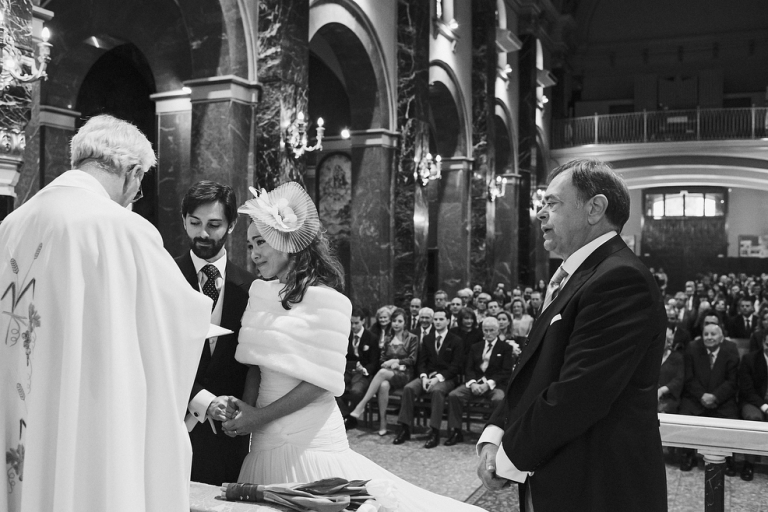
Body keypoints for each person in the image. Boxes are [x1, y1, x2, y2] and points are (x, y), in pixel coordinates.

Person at [220, 183, 482, 512]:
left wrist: (260, 417)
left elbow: (320, 383)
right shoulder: (259, 292)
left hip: (309, 435)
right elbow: (256, 364)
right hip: (263, 437)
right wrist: (245, 412)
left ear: (288, 241)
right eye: (250, 244)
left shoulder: (328, 300)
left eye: (261, 242)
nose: (254, 253)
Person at [0, 114, 211, 512]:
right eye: (140, 183)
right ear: (132, 172)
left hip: (22, 409)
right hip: (89, 416)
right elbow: (176, 318)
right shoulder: (120, 228)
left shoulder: (13, 223)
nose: (136, 194)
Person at [476, 159, 667, 512]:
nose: (541, 214)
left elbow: (579, 393)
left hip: (597, 485)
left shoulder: (621, 279)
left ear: (594, 208)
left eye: (552, 203)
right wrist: (495, 433)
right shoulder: (577, 276)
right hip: (558, 475)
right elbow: (535, 370)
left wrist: (507, 457)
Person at [176, 180, 256, 486]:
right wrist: (201, 399)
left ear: (232, 224)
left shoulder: (252, 288)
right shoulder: (164, 277)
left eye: (214, 224)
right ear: (184, 220)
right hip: (175, 424)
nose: (204, 234)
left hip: (229, 430)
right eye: (195, 223)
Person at [394, 310, 464, 448]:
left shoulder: (456, 340)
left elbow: (456, 367)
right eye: (436, 319)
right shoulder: (427, 339)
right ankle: (405, 428)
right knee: (409, 388)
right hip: (428, 376)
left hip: (447, 378)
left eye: (441, 319)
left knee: (437, 391)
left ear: (448, 321)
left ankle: (434, 431)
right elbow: (422, 362)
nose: (437, 322)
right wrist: (424, 377)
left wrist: (437, 378)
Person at [678, 323, 740, 473]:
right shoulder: (692, 348)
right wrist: (702, 396)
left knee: (731, 418)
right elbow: (688, 378)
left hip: (722, 399)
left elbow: (733, 381)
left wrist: (715, 397)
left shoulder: (730, 350)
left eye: (713, 334)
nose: (709, 337)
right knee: (685, 415)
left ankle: (728, 458)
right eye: (706, 334)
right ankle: (688, 455)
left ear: (721, 337)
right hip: (696, 397)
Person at [347, 308, 418, 435]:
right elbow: (382, 358)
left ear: (405, 323)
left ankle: (361, 405)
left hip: (405, 373)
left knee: (381, 373)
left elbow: (412, 359)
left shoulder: (412, 338)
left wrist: (396, 363)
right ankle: (383, 423)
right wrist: (387, 363)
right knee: (384, 385)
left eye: (399, 321)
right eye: (394, 321)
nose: (396, 324)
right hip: (389, 373)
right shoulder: (388, 338)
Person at [445, 317, 514, 446]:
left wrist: (488, 385)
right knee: (454, 395)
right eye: (485, 330)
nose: (488, 333)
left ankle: (494, 436)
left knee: (499, 399)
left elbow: (506, 372)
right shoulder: (475, 347)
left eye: (491, 330)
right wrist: (473, 383)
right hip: (475, 384)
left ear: (498, 331)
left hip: (495, 385)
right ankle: (456, 431)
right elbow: (469, 368)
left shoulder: (505, 348)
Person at [338, 307, 380, 426]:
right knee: (333, 388)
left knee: (356, 391)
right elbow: (341, 357)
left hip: (363, 373)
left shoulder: (371, 338)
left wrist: (365, 370)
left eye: (356, 323)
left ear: (363, 321)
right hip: (347, 370)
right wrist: (353, 365)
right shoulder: (346, 336)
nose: (353, 326)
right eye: (351, 323)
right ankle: (347, 416)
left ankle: (351, 416)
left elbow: (374, 361)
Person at [737, 330, 768, 481]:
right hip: (754, 401)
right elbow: (747, 389)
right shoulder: (750, 359)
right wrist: (765, 407)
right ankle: (749, 463)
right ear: (763, 343)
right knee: (753, 418)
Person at [658, 327, 684, 413]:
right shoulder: (649, 357)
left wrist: (662, 390)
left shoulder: (677, 357)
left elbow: (679, 380)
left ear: (669, 342)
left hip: (668, 398)